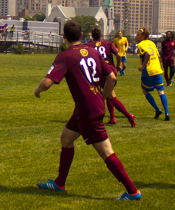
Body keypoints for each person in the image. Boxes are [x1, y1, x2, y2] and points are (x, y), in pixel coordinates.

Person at [34, 20, 141, 201]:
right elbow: (112, 77)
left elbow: (47, 82)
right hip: (86, 107)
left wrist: (37, 90)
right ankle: (59, 183)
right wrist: (103, 96)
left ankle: (132, 191)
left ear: (64, 36)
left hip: (88, 111)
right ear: (82, 36)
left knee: (106, 151)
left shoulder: (65, 56)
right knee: (66, 139)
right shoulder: (92, 51)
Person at [86, 27, 136, 127]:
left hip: (98, 72)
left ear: (92, 35)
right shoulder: (108, 44)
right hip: (110, 71)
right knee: (110, 94)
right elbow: (118, 55)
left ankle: (127, 115)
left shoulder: (88, 45)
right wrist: (118, 65)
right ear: (101, 35)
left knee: (109, 96)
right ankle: (113, 118)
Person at [136, 28, 170, 120]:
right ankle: (167, 113)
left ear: (143, 35)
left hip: (148, 70)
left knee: (145, 91)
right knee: (161, 91)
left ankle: (157, 109)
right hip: (157, 69)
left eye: (138, 34)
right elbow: (158, 55)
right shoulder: (152, 43)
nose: (136, 35)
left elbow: (147, 54)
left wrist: (143, 66)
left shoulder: (141, 44)